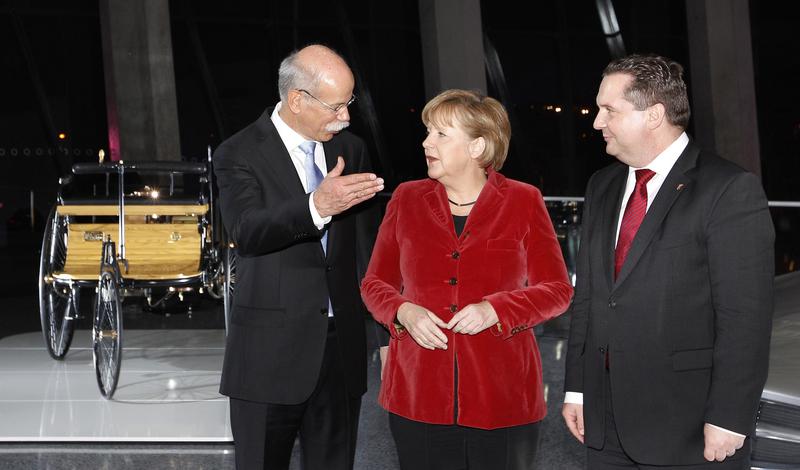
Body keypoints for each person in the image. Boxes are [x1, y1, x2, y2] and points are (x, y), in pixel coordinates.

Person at [562, 54, 774, 469]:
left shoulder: (728, 189)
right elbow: (588, 297)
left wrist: (730, 416)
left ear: (654, 114)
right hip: (604, 424)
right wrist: (578, 390)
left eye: (609, 110)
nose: (596, 122)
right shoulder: (602, 185)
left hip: (690, 426)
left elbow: (744, 316)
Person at [361, 89, 574, 470]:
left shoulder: (524, 201)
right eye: (427, 132)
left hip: (504, 398)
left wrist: (497, 308)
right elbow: (375, 283)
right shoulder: (407, 200)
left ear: (478, 146)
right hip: (417, 395)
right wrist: (403, 311)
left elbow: (557, 291)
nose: (426, 142)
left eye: (441, 134)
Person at [213, 44, 383, 470]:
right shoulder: (238, 153)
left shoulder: (351, 148)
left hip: (341, 353)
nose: (345, 116)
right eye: (336, 105)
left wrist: (384, 332)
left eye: (349, 103)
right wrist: (316, 207)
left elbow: (365, 249)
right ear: (297, 100)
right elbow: (248, 232)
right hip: (268, 356)